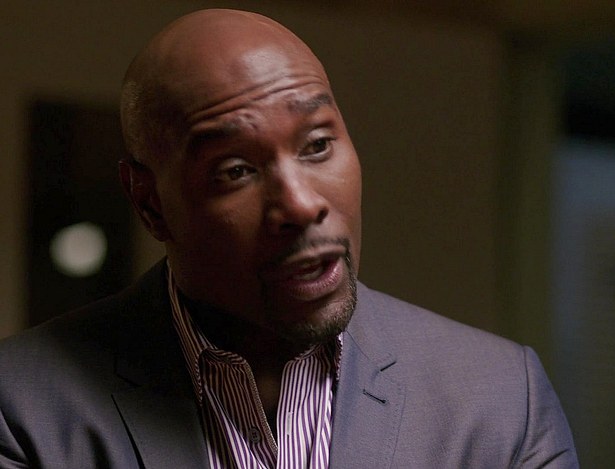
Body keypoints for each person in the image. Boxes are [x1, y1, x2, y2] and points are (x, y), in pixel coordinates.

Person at [0, 8, 577, 468]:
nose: (301, 205)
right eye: (236, 171)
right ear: (151, 204)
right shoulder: (21, 407)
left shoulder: (500, 400)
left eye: (318, 145)